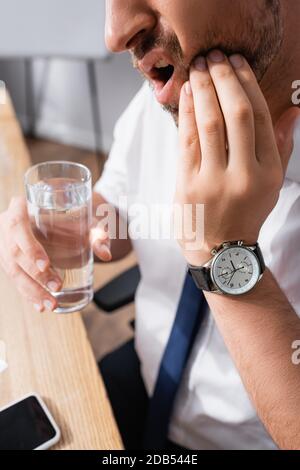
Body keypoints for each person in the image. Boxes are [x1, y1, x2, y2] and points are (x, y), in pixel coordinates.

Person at [0, 0, 300, 450]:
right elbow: (119, 209)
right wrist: (65, 229)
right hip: (147, 372)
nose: (114, 33)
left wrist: (224, 253)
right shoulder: (174, 85)